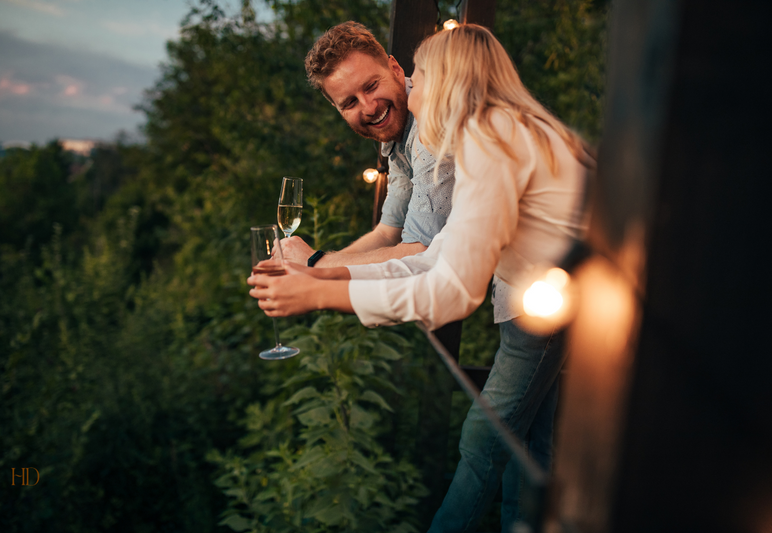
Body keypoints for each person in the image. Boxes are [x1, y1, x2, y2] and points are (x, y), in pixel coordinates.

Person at [249, 24, 594, 532]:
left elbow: (451, 288)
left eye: (421, 74)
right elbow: (431, 257)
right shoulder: (489, 134)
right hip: (555, 301)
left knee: (484, 435)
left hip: (565, 309)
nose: (413, 87)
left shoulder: (487, 140)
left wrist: (322, 289)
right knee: (532, 445)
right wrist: (323, 277)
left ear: (449, 81)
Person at [282, 21, 455, 267]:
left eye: (372, 86)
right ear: (338, 110)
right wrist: (313, 266)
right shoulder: (399, 133)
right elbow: (386, 234)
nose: (370, 108)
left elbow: (420, 253)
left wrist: (315, 263)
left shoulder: (430, 121)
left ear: (394, 68)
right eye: (350, 103)